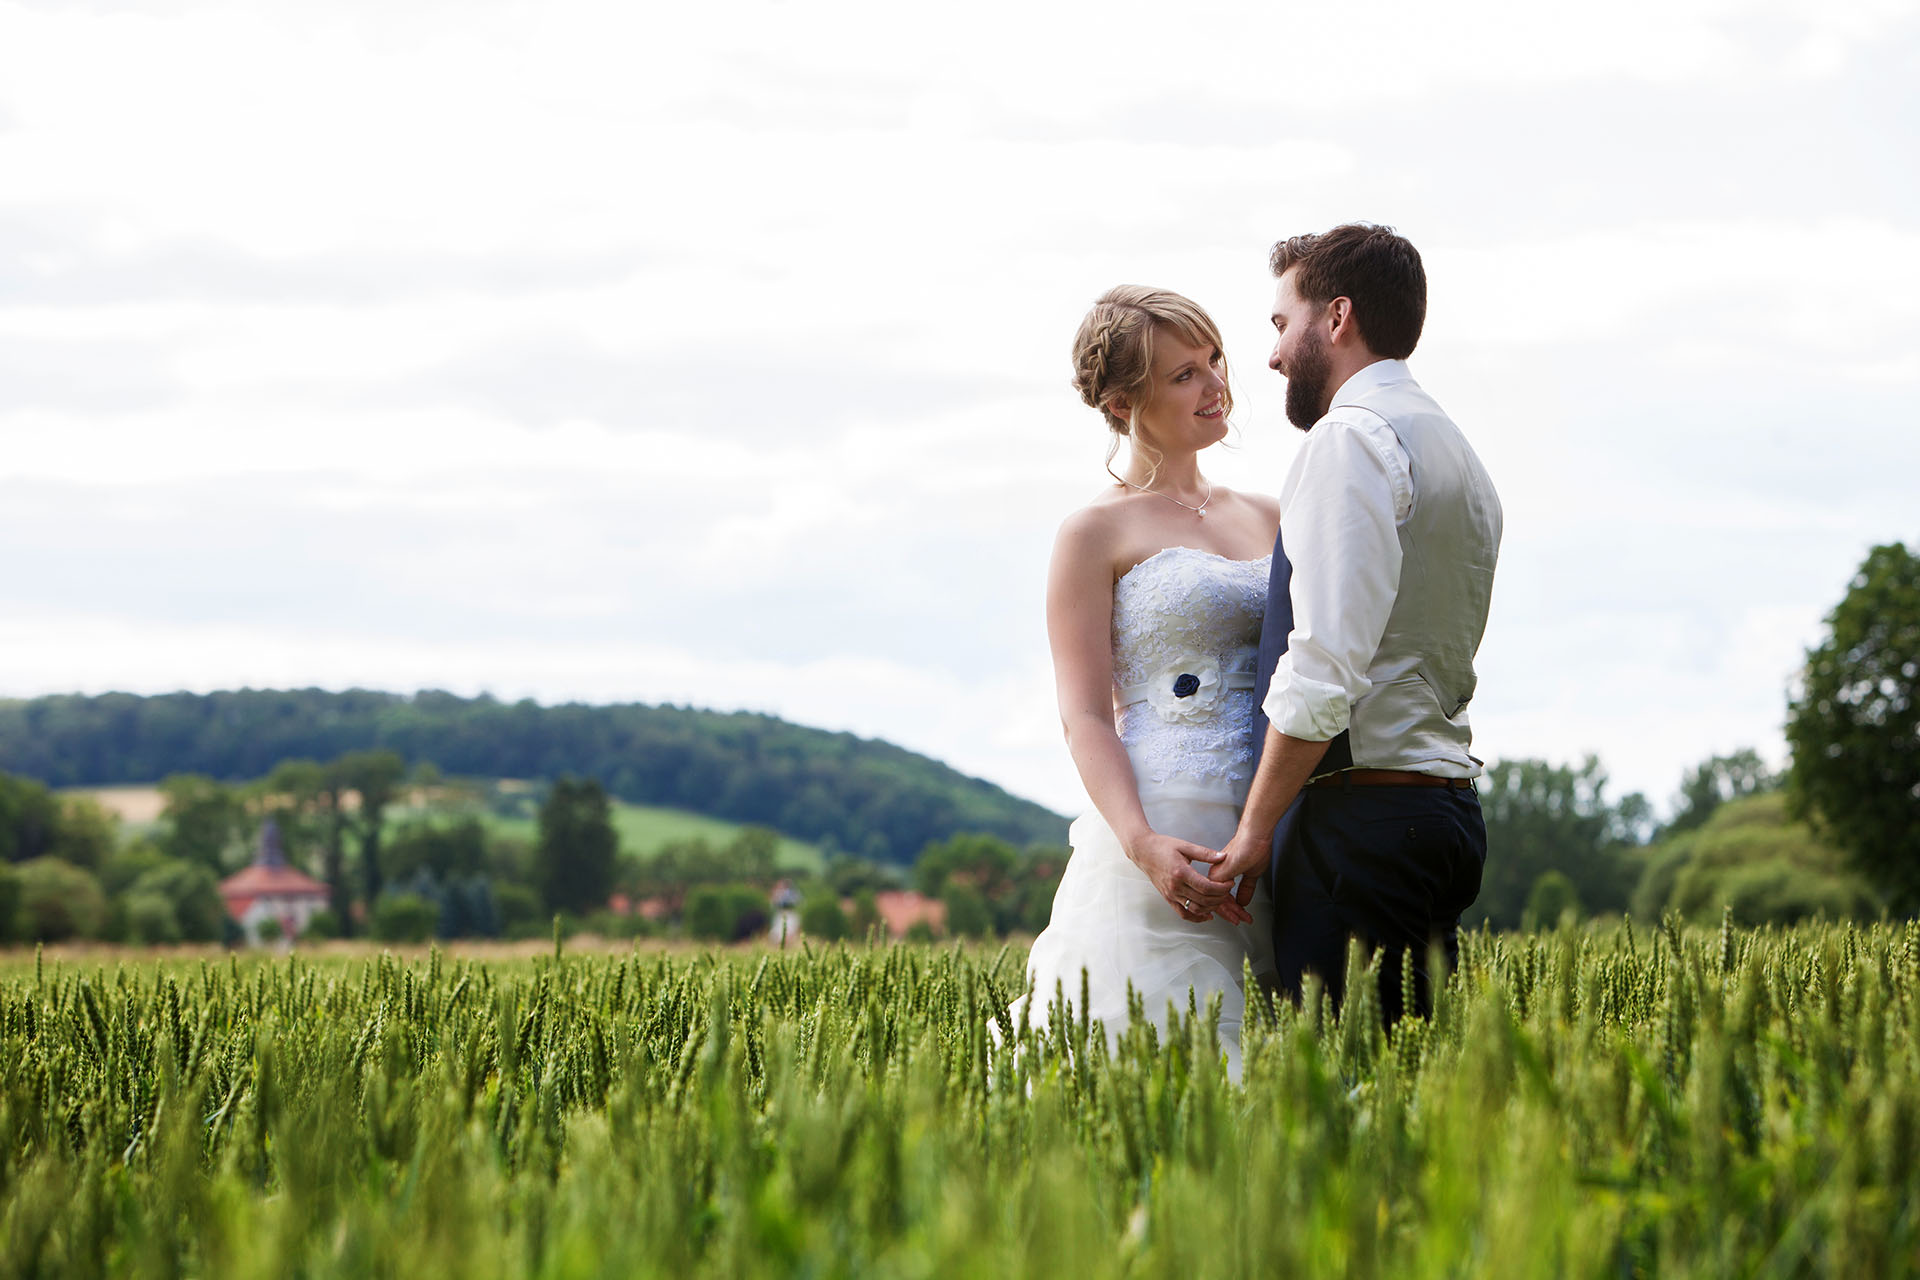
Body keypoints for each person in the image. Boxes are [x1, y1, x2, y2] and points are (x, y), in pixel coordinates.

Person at [1208, 224, 1503, 1025]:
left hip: (1361, 827)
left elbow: (1323, 665)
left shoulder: (1351, 441)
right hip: (1441, 812)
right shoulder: (1455, 450)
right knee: (1407, 1098)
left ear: (1335, 317)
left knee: (1346, 1105)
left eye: (1280, 323)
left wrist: (1255, 832)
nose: (1271, 355)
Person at [1010, 285, 1277, 1077]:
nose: (1216, 385)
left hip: (1278, 817)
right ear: (1125, 402)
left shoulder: (1271, 516)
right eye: (1185, 375)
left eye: (1216, 361)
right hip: (1169, 818)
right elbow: (1086, 716)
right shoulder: (1093, 533)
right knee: (1158, 1060)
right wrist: (1141, 844)